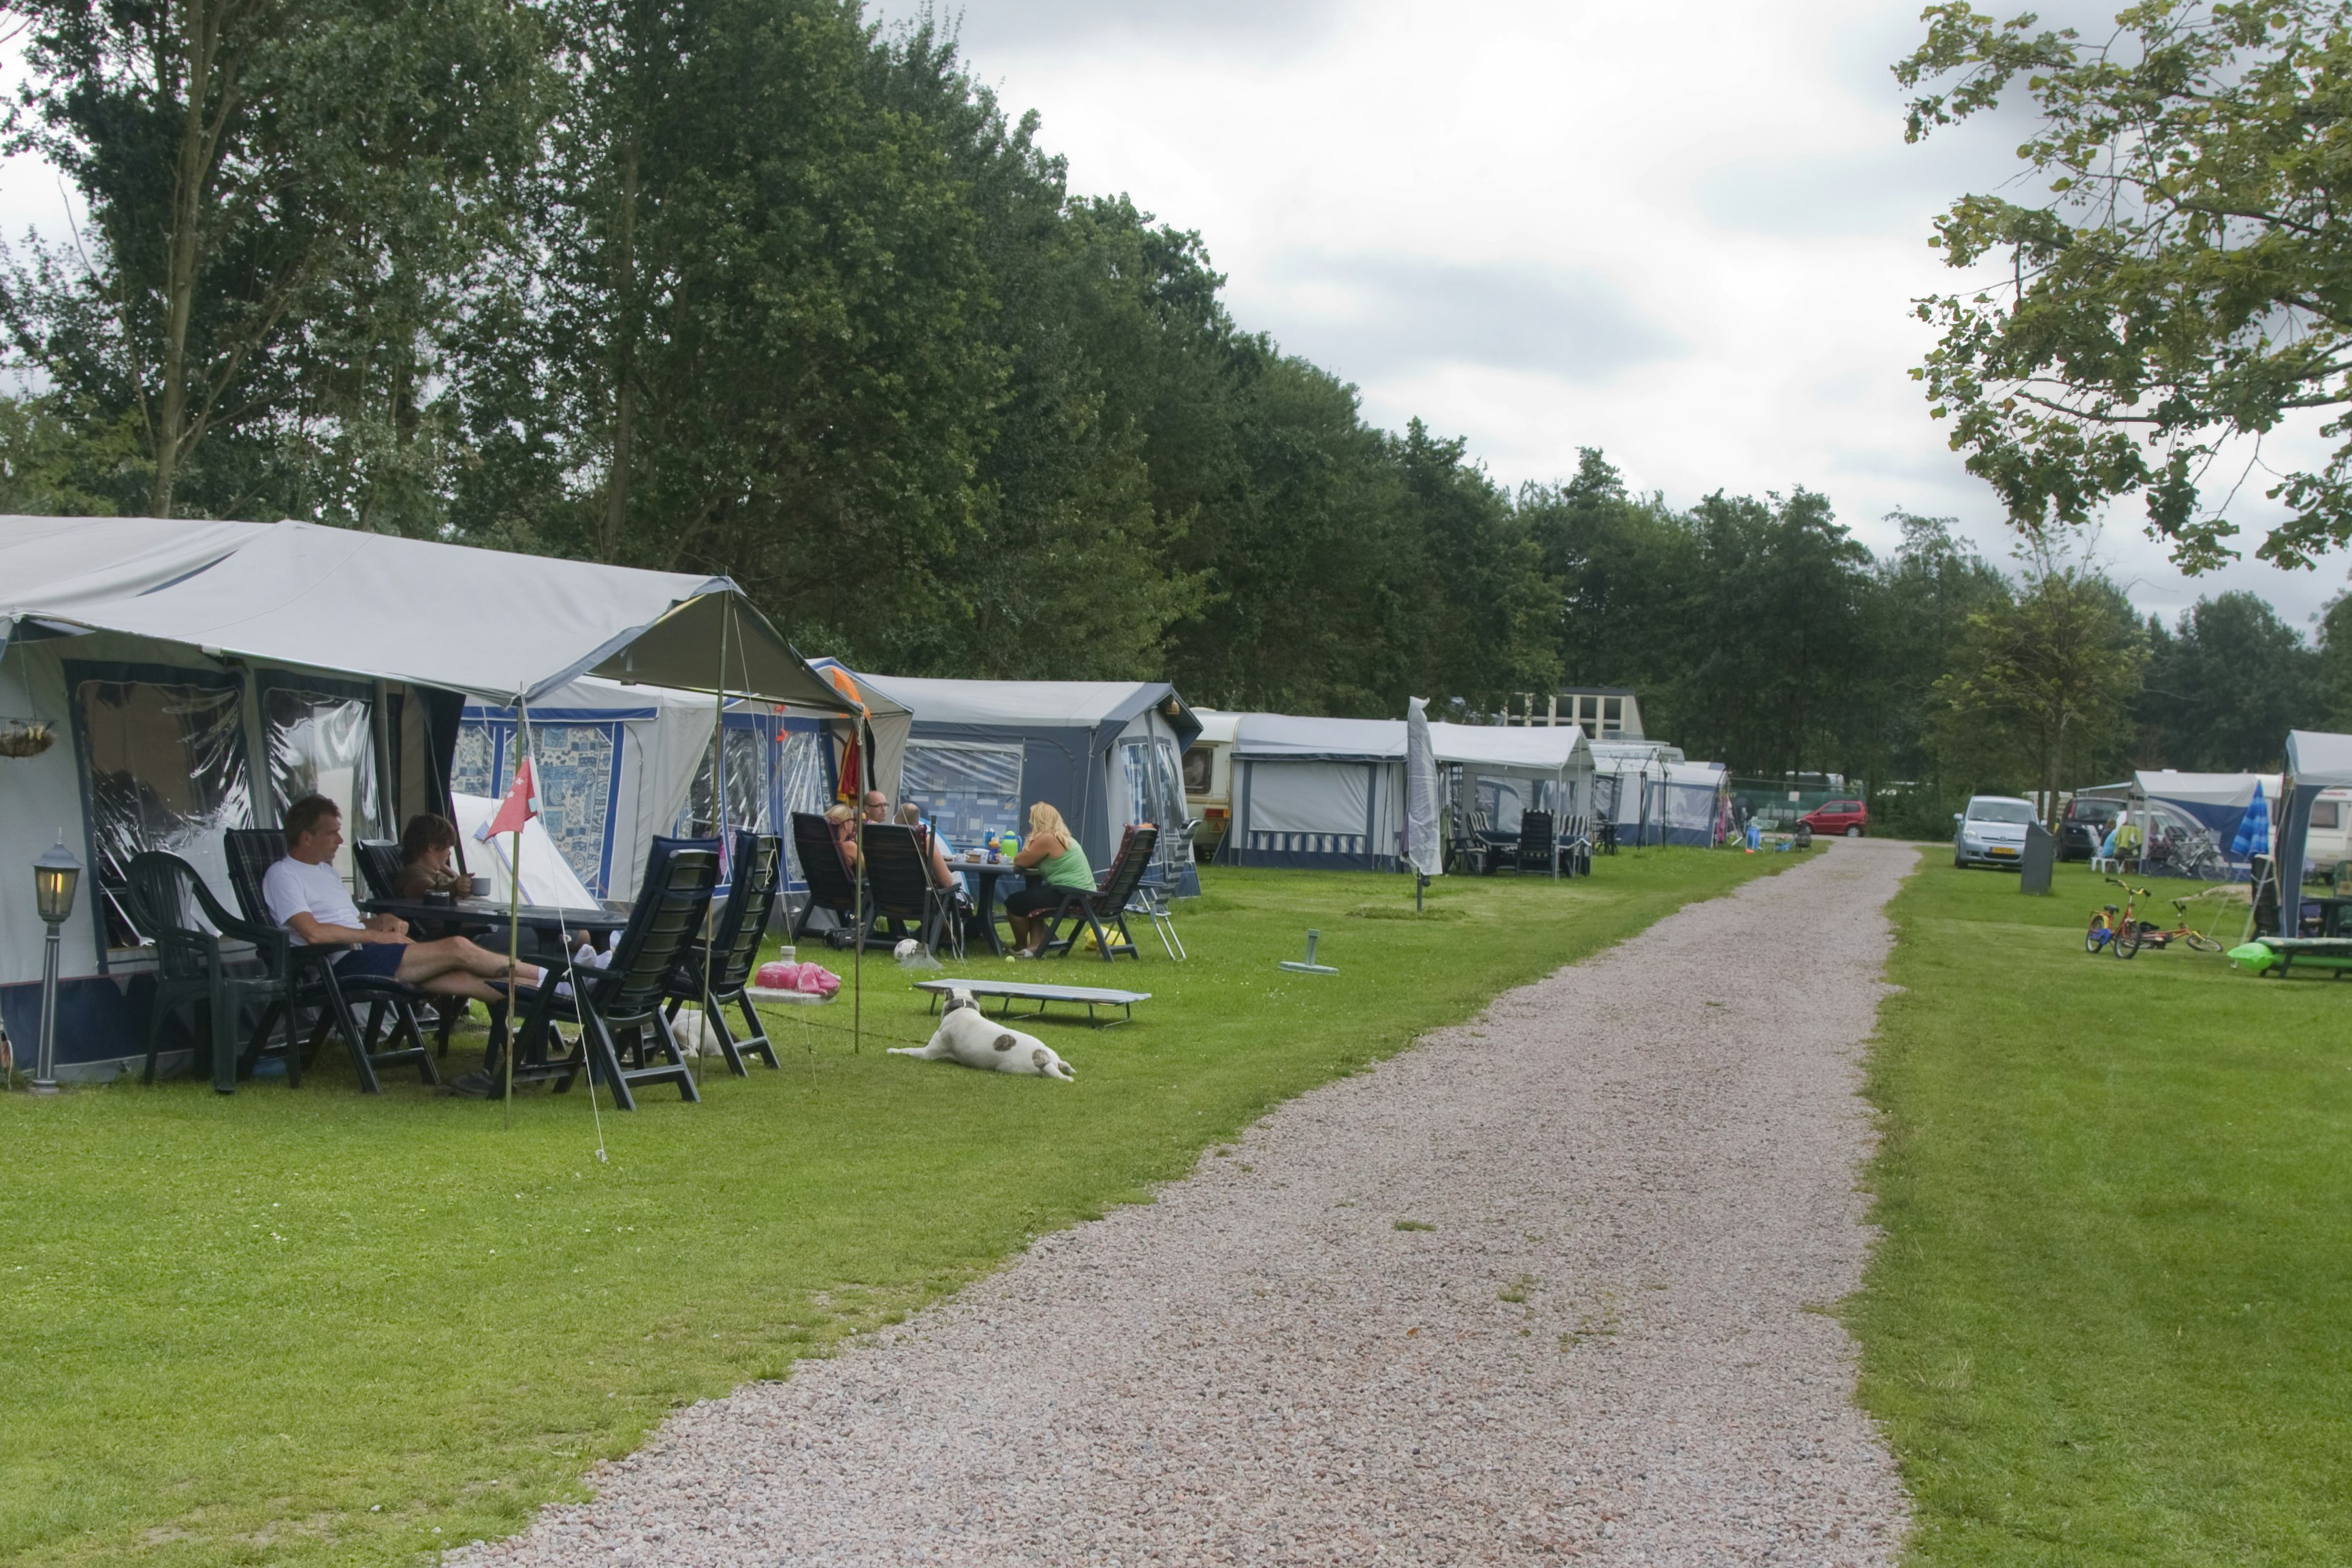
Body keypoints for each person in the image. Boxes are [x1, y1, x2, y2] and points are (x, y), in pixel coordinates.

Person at [261, 795, 543, 1005]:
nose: (339, 839)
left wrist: (380, 921)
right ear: (306, 837)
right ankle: (551, 977)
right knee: (458, 947)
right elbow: (313, 932)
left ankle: (551, 997)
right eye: (331, 832)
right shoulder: (284, 875)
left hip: (363, 953)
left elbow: (345, 921)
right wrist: (374, 937)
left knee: (465, 979)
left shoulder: (324, 872)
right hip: (338, 963)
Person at [1001, 802, 1095, 958]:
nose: (1030, 824)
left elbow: (1020, 861)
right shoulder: (1064, 838)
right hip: (1081, 894)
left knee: (1014, 903)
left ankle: (1021, 945)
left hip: (1069, 894)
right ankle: (1036, 945)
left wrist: (1029, 843)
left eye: (1032, 821)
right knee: (1033, 896)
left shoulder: (1047, 838)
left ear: (1039, 821)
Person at [897, 801, 967, 896]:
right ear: (918, 823)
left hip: (889, 902)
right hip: (919, 903)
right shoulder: (925, 842)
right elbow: (947, 882)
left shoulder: (884, 840)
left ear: (896, 820)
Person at [395, 813, 468, 898]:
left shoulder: (443, 869)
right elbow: (429, 890)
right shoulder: (411, 873)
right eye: (448, 847)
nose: (449, 853)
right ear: (432, 846)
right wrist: (455, 887)